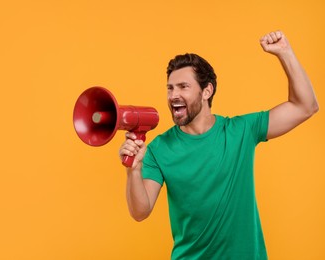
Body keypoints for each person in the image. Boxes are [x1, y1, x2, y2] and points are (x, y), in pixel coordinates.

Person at [118, 30, 319, 259]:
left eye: (183, 87)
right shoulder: (158, 149)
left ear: (207, 91)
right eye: (170, 87)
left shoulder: (241, 131)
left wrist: (285, 54)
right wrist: (133, 171)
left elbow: (306, 106)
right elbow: (140, 212)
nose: (173, 95)